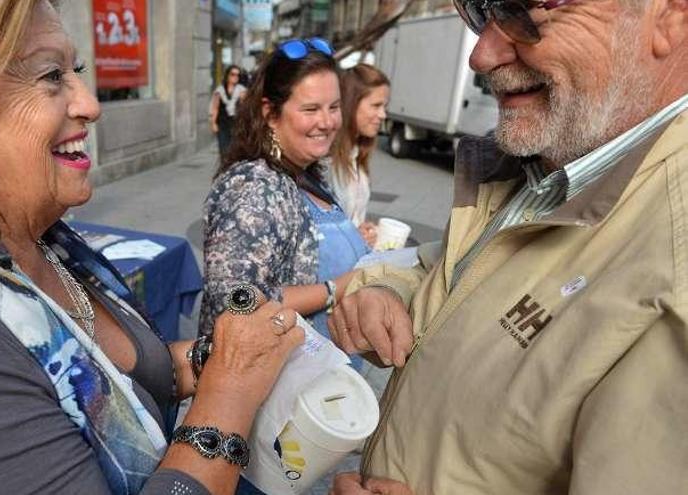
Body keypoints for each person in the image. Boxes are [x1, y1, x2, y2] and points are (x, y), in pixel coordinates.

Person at [0, 2, 305, 494]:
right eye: (51, 75)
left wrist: (240, 351)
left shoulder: (36, 241)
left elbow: (116, 379)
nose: (89, 103)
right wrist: (230, 395)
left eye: (78, 69)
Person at [328, 0, 688, 493]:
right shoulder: (556, 161)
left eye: (529, 9)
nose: (482, 54)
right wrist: (385, 288)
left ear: (671, 17)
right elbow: (470, 279)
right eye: (480, 12)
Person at [200, 38, 381, 368]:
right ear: (270, 114)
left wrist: (355, 240)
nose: (327, 122)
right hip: (276, 394)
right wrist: (334, 289)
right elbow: (236, 303)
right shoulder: (253, 187)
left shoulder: (307, 171)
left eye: (334, 107)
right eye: (311, 109)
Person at [326, 64, 390, 247]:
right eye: (376, 105)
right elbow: (313, 233)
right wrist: (352, 236)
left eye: (385, 106)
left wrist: (364, 229)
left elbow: (350, 219)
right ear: (351, 104)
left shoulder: (357, 155)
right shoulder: (325, 160)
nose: (383, 115)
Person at [209, 64, 247, 156]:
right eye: (232, 74)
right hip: (222, 124)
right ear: (227, 75)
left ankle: (232, 169)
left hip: (236, 124)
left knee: (235, 150)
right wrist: (213, 123)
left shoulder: (242, 90)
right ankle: (225, 169)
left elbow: (245, 109)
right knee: (223, 150)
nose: (235, 77)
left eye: (237, 75)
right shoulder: (219, 90)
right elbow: (215, 107)